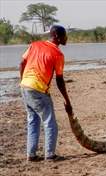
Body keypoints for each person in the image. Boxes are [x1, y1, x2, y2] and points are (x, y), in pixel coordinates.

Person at [20, 25, 73, 162]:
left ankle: (31, 155)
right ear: (57, 36)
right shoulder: (57, 54)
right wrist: (67, 101)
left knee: (33, 121)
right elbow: (60, 80)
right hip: (38, 89)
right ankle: (50, 155)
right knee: (50, 122)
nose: (66, 38)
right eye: (64, 35)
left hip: (25, 86)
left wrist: (24, 82)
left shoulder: (34, 45)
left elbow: (22, 63)